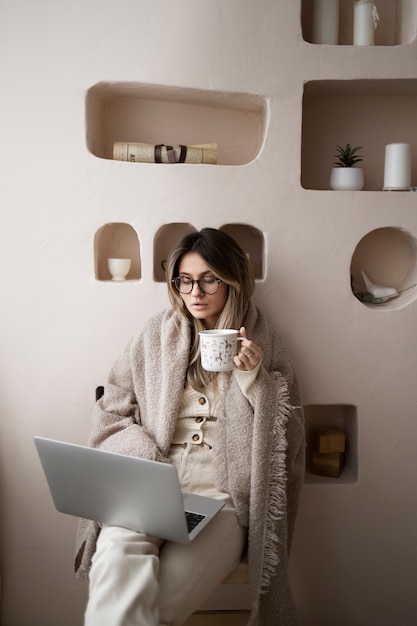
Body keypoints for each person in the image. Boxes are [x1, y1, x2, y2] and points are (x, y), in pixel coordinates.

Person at [75, 227, 305, 626]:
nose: (195, 292)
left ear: (233, 281)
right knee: (113, 561)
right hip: (152, 489)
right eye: (184, 280)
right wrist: (146, 458)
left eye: (208, 279)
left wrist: (255, 382)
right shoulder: (154, 335)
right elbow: (110, 410)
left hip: (221, 502)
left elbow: (291, 435)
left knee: (157, 609)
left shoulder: (265, 340)